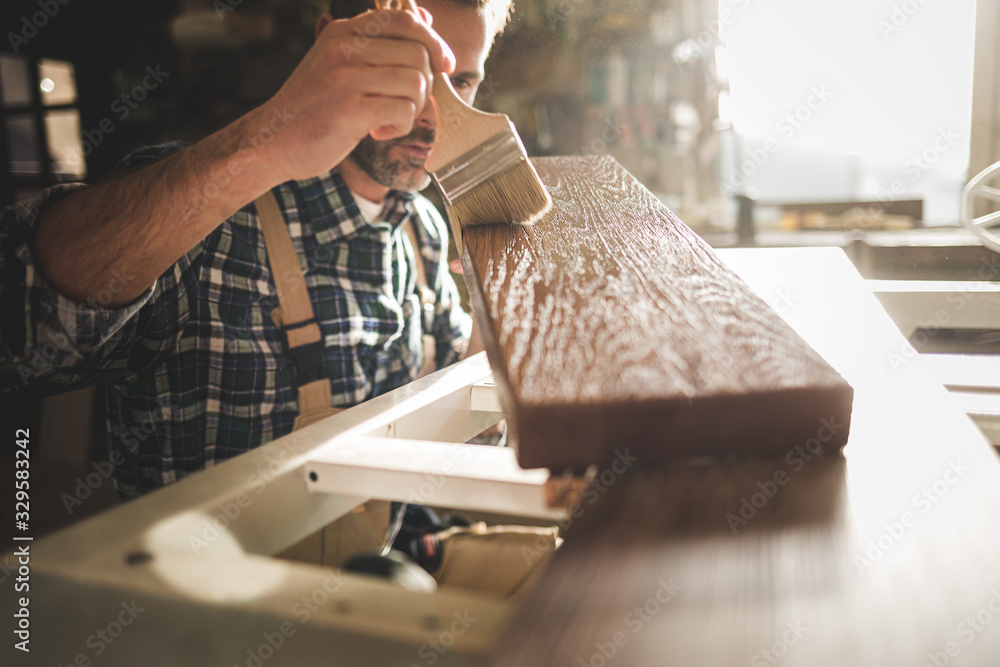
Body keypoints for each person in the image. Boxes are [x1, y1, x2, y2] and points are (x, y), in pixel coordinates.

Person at [0, 0, 509, 500]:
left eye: (460, 82)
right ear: (329, 46)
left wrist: (506, 321)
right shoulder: (206, 216)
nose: (432, 115)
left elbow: (460, 400)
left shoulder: (422, 229)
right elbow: (21, 343)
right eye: (409, 69)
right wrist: (268, 140)